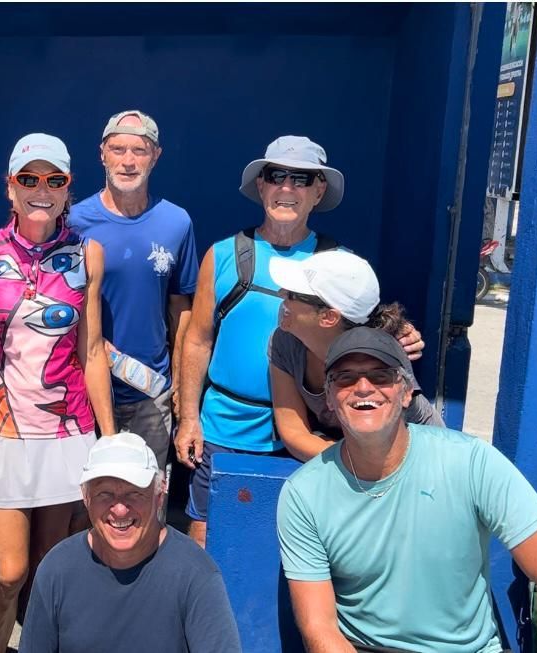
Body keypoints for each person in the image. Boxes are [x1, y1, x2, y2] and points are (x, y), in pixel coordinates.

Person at [175, 135, 424, 547]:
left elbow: (364, 329)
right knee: (205, 538)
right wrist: (188, 418)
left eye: (302, 179)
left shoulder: (339, 263)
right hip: (226, 427)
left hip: (306, 435)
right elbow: (197, 340)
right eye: (276, 176)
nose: (287, 188)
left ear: (318, 191)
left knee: (294, 543)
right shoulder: (221, 255)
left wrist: (401, 337)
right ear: (261, 185)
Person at [277, 328, 537, 652]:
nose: (363, 387)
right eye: (346, 378)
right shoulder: (303, 493)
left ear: (406, 393)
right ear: (330, 399)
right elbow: (318, 627)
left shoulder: (472, 461)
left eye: (381, 376)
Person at [0, 133, 115, 653]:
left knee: (50, 571)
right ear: (9, 187)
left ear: (68, 190)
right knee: (9, 572)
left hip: (67, 431)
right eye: (30, 179)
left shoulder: (89, 254)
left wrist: (108, 436)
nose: (43, 189)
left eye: (54, 180)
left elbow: (93, 349)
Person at [19, 432, 241, 653]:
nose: (120, 509)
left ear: (159, 496)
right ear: (86, 499)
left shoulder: (196, 574)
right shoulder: (57, 568)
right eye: (105, 495)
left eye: (134, 494)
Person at [68, 110, 198, 472]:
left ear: (155, 156)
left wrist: (178, 380)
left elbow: (181, 305)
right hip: (82, 389)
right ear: (102, 154)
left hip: (150, 393)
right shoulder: (73, 222)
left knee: (147, 495)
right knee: (83, 504)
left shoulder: (177, 222)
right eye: (118, 149)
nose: (127, 161)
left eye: (139, 151)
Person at [268, 249, 444, 462]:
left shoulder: (378, 358)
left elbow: (390, 454)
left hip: (417, 458)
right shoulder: (285, 342)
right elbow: (294, 433)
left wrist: (349, 460)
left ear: (328, 317)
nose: (280, 295)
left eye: (292, 295)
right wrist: (347, 459)